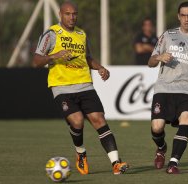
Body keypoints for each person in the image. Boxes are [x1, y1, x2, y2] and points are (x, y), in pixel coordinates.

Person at [32, 1, 128, 175]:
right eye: (68, 14)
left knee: (99, 119)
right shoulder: (51, 34)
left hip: (85, 84)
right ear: (60, 15)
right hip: (62, 87)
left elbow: (87, 58)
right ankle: (80, 152)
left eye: (74, 14)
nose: (72, 17)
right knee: (77, 121)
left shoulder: (81, 34)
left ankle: (116, 163)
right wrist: (54, 55)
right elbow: (37, 61)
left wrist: (100, 67)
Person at [148, 1, 188, 174]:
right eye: (183, 15)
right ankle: (161, 148)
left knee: (186, 120)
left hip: (187, 90)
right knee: (157, 127)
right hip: (164, 88)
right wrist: (159, 57)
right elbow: (150, 62)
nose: (186, 19)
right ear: (178, 16)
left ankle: (173, 163)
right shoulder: (168, 35)